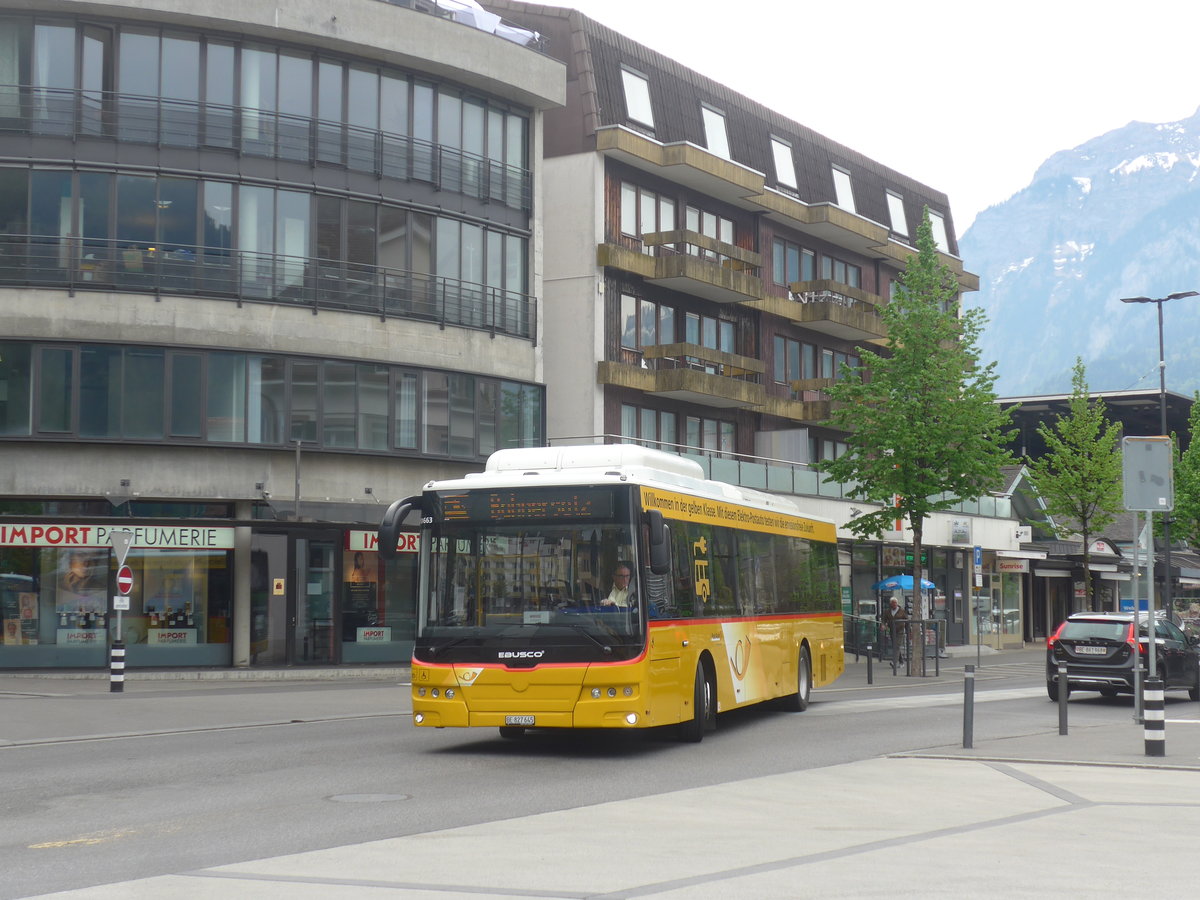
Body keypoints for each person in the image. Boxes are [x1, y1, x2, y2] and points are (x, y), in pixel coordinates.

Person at [882, 596, 908, 661]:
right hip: (892, 630)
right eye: (892, 603)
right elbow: (884, 619)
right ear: (890, 604)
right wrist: (883, 625)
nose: (894, 605)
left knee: (897, 645)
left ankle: (894, 661)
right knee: (895, 646)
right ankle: (901, 661)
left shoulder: (902, 611)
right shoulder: (887, 611)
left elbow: (907, 621)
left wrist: (908, 631)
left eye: (895, 603)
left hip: (900, 630)